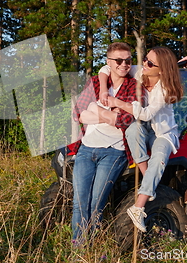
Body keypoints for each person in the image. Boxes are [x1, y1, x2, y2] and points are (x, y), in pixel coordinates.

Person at [99, 46, 183, 232]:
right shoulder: (140, 71)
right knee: (131, 130)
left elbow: (145, 114)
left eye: (150, 63)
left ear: (161, 69)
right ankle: (149, 181)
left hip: (162, 132)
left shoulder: (164, 89)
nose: (144, 63)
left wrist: (118, 103)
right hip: (144, 128)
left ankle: (138, 207)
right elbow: (106, 68)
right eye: (145, 59)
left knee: (159, 156)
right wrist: (104, 90)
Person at [70, 42, 137, 245]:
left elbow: (127, 120)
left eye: (128, 60)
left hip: (114, 152)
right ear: (109, 63)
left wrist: (95, 111)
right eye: (118, 60)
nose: (124, 64)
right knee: (79, 204)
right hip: (86, 149)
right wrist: (108, 115)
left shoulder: (134, 86)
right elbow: (78, 114)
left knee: (96, 202)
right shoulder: (95, 83)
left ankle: (92, 245)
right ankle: (79, 250)